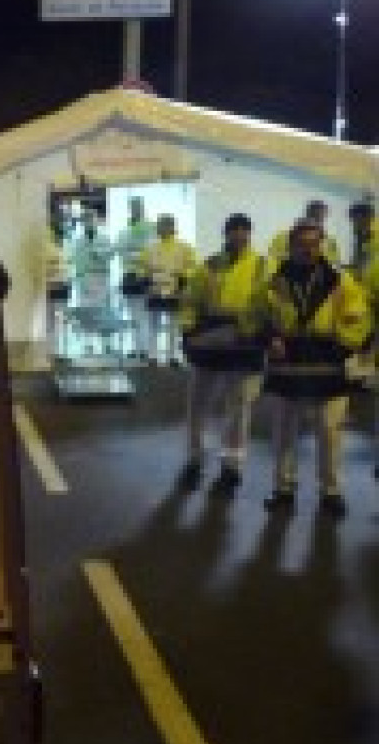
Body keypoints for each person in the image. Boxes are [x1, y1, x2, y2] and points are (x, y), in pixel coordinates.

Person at [259, 221, 372, 518]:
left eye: (314, 244)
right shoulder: (273, 281)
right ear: (291, 245)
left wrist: (339, 350)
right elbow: (258, 315)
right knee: (284, 433)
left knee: (330, 432)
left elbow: (358, 319)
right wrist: (269, 338)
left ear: (321, 245)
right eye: (302, 244)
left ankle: (331, 492)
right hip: (287, 365)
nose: (308, 250)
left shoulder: (340, 281)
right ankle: (283, 490)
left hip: (328, 365)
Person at [178, 214, 268, 492]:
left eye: (244, 230)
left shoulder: (262, 265)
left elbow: (269, 303)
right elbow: (191, 300)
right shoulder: (210, 265)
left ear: (250, 233)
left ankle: (231, 468)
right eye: (234, 230)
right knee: (198, 405)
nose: (239, 235)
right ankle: (195, 460)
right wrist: (188, 330)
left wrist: (253, 329)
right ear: (225, 233)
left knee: (239, 410)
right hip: (209, 341)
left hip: (244, 344)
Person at [346, 200, 379, 478]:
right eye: (352, 220)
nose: (354, 225)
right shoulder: (363, 243)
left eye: (358, 219)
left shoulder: (374, 242)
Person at [139, 214, 199, 365]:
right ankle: (152, 355)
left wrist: (182, 280)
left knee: (173, 323)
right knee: (153, 323)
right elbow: (142, 268)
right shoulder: (150, 248)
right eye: (160, 225)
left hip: (174, 288)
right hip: (155, 288)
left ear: (173, 227)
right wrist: (146, 282)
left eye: (165, 225)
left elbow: (192, 267)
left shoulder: (184, 247)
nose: (162, 228)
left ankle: (172, 356)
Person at [115, 196, 156, 359]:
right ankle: (136, 348)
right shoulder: (125, 230)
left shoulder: (150, 228)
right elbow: (119, 249)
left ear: (143, 207)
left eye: (138, 206)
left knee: (145, 313)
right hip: (129, 276)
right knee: (133, 314)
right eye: (132, 206)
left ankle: (145, 349)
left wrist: (132, 253)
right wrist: (135, 254)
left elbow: (150, 251)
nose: (135, 209)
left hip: (145, 276)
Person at [267, 199, 341, 270]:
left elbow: (334, 265)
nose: (316, 221)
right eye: (313, 216)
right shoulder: (283, 236)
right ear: (307, 214)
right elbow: (272, 260)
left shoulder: (331, 243)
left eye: (320, 218)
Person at [41, 216, 71, 361]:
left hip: (59, 286)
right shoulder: (51, 249)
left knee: (56, 320)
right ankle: (55, 351)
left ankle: (57, 350)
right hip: (55, 286)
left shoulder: (61, 248)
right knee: (54, 320)